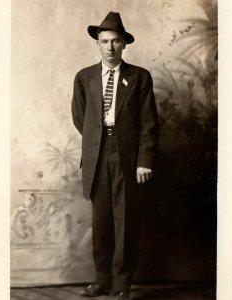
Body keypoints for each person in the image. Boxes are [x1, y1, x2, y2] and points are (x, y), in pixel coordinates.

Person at [71, 11, 159, 300]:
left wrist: (144, 161)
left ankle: (122, 285)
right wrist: (97, 138)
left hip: (128, 156)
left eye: (116, 41)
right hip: (98, 154)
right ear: (97, 43)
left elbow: (149, 123)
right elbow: (79, 116)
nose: (110, 47)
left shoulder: (139, 77)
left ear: (124, 44)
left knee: (126, 221)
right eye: (105, 41)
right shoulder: (84, 77)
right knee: (102, 221)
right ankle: (101, 280)